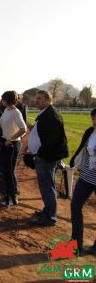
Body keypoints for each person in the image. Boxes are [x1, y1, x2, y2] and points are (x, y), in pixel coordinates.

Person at [27, 90, 69, 226]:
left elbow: (52, 141)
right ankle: (48, 211)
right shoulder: (47, 113)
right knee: (46, 185)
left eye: (39, 99)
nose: (36, 101)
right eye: (36, 98)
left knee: (47, 186)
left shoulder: (50, 115)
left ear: (47, 100)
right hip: (45, 156)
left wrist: (39, 154)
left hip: (47, 157)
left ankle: (50, 216)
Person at [0, 91, 27, 206]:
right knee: (6, 171)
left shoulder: (16, 112)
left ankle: (11, 197)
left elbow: (23, 129)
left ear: (7, 100)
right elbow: (3, 125)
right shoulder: (6, 110)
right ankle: (10, 195)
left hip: (12, 145)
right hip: (6, 143)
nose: (1, 101)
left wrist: (10, 139)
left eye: (3, 99)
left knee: (9, 172)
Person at [70, 108, 96, 255]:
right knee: (75, 205)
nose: (95, 121)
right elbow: (82, 149)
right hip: (86, 176)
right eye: (93, 118)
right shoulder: (90, 132)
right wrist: (75, 160)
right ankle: (76, 242)